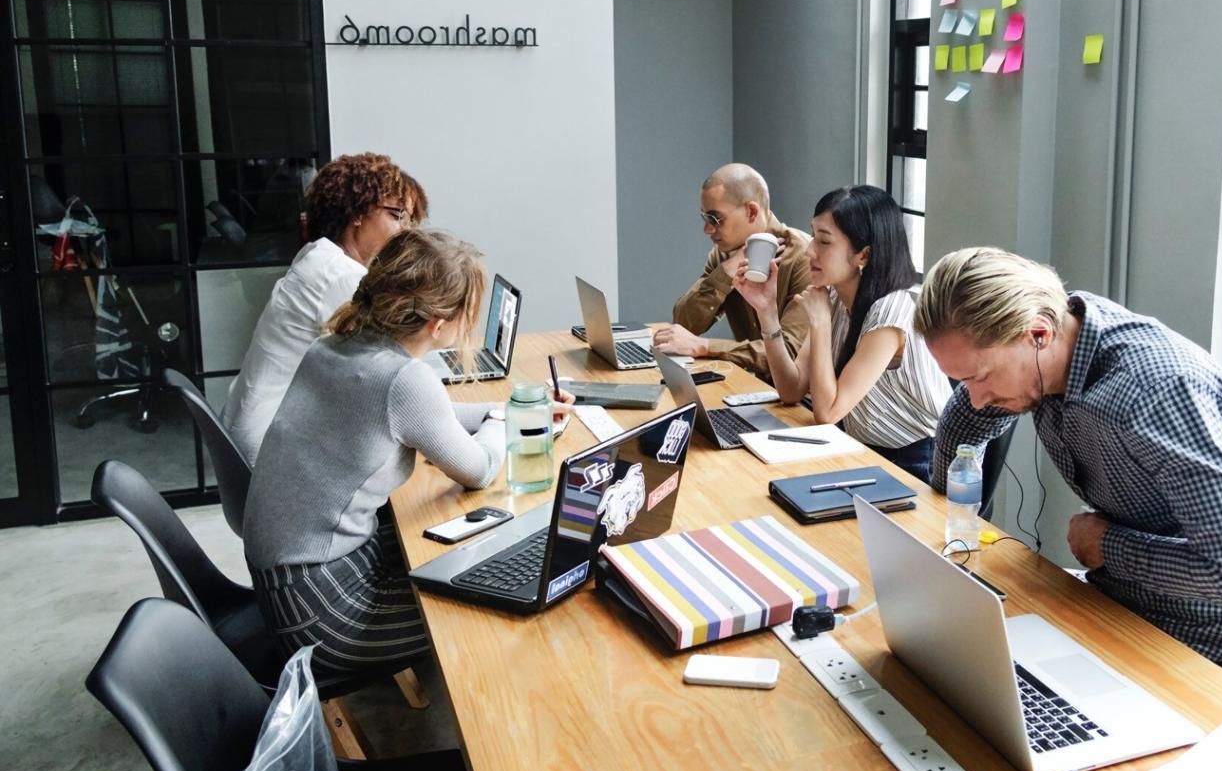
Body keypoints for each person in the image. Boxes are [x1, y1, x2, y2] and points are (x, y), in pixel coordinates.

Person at [912, 246, 1222, 663]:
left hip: (1182, 637)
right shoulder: (1062, 331)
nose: (977, 399)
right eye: (962, 380)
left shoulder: (1158, 394)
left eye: (980, 378)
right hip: (1107, 594)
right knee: (940, 652)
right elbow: (967, 418)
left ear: (1038, 334)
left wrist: (1108, 546)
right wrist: (947, 509)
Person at [243, 229, 572, 674]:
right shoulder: (403, 382)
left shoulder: (332, 347)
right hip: (320, 614)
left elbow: (433, 415)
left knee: (470, 553)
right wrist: (503, 421)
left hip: (283, 584)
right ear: (439, 325)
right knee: (500, 607)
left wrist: (515, 409)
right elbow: (481, 469)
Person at [733, 186, 953, 482]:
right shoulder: (833, 297)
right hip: (859, 447)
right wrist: (767, 310)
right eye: (813, 236)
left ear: (864, 254)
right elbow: (791, 389)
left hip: (915, 461)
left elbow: (828, 413)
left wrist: (821, 323)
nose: (810, 250)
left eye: (824, 241)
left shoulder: (891, 313)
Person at [222, 152, 429, 465]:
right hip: (269, 452)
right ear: (357, 212)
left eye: (409, 221)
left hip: (254, 431)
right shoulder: (339, 276)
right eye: (396, 215)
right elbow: (397, 371)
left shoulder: (317, 254)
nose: (405, 231)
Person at [653, 163, 813, 381]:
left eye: (715, 219)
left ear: (751, 211)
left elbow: (789, 353)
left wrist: (706, 347)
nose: (707, 230)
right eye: (705, 219)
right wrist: (726, 273)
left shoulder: (805, 257)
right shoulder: (724, 255)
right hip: (754, 386)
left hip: (800, 401)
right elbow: (684, 323)